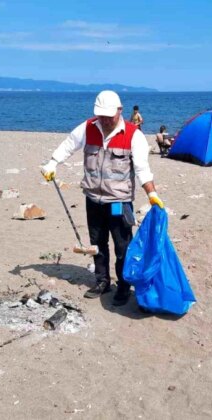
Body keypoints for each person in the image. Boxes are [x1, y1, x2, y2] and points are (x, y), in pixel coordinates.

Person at [40, 90, 164, 307]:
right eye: (101, 115)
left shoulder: (134, 135)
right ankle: (102, 281)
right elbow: (68, 145)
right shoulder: (88, 127)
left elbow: (143, 169)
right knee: (97, 243)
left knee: (122, 246)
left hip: (119, 201)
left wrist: (151, 194)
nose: (105, 120)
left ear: (120, 111)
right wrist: (53, 162)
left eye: (109, 116)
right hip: (93, 199)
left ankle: (124, 287)